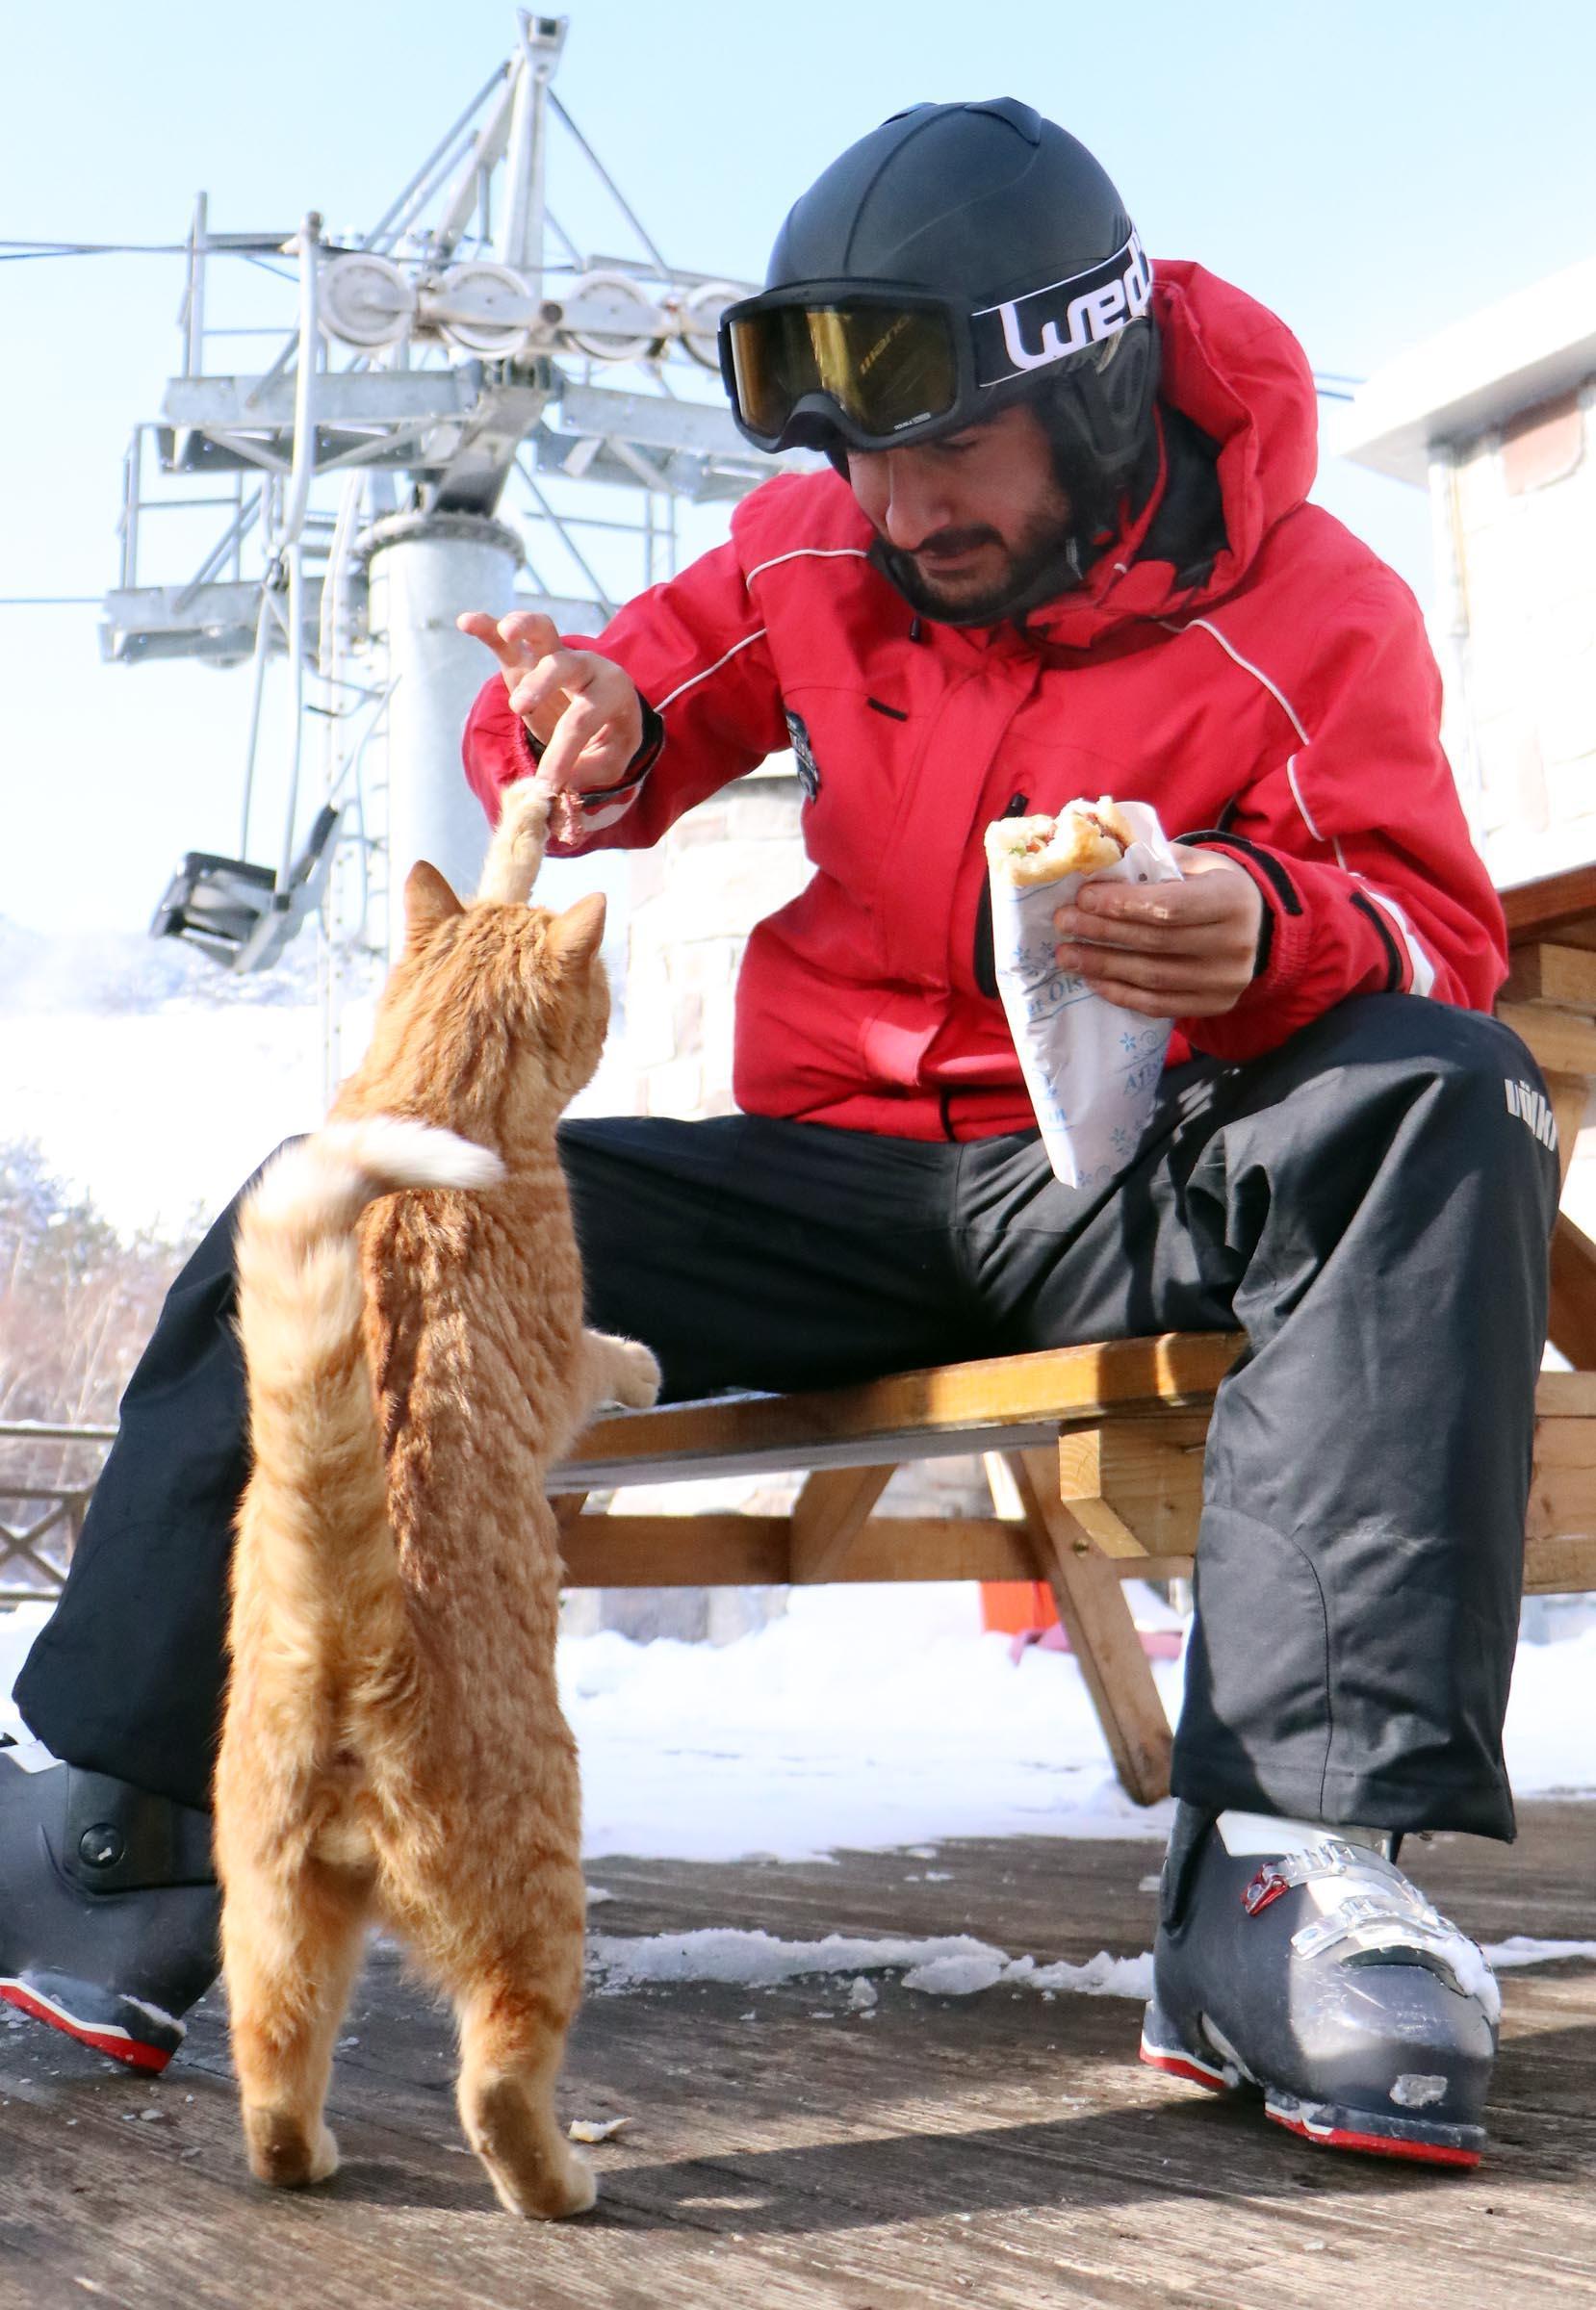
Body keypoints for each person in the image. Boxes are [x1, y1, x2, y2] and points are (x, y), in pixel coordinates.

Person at [2, 101, 1557, 2165]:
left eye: (948, 452)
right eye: (861, 461)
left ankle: (1279, 1872)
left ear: (1092, 391)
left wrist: (1268, 927)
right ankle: (117, 1817)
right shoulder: (819, 548)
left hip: (1130, 1170)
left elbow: (1431, 937)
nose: (901, 506)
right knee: (360, 1190)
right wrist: (584, 722)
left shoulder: (1311, 610)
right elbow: (605, 716)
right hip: (831, 1172)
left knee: (1442, 1101)